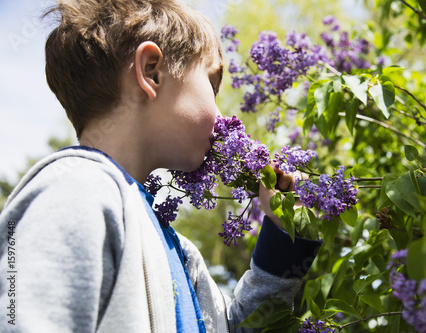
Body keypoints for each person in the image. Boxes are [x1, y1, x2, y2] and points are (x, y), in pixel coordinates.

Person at [0, 0, 321, 332]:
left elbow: (238, 327)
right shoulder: (76, 194)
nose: (221, 116)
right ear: (151, 72)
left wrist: (285, 237)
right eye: (211, 87)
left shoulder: (178, 251)